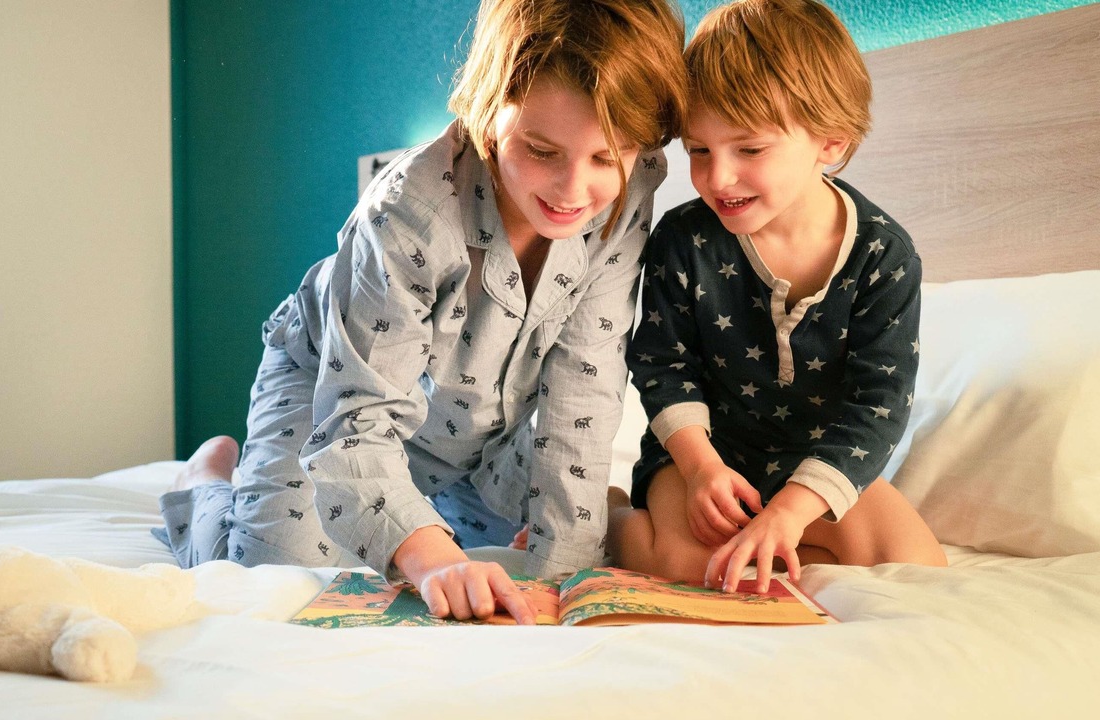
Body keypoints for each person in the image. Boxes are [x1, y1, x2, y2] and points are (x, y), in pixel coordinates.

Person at [156, 0, 688, 624]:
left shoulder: (636, 184)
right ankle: (204, 489)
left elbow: (587, 381)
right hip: (337, 391)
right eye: (542, 150)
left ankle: (445, 506)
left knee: (570, 525)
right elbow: (355, 420)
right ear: (489, 114)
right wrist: (431, 557)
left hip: (488, 426)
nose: (575, 190)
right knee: (278, 579)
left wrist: (566, 582)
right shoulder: (410, 212)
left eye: (608, 156)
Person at [607, 0, 947, 595]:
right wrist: (700, 468)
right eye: (699, 150)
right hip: (702, 457)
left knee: (916, 568)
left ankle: (782, 533)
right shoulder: (684, 240)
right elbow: (663, 365)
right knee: (697, 573)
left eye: (750, 150)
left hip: (815, 467)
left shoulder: (884, 258)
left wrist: (789, 515)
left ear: (829, 142)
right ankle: (613, 517)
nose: (718, 178)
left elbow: (878, 406)